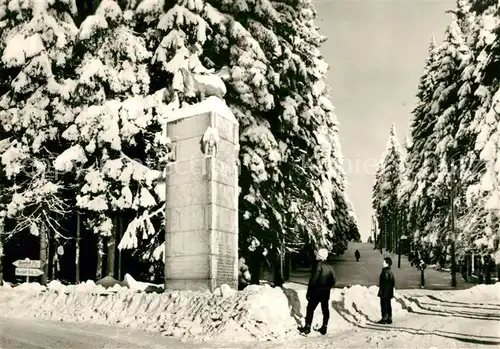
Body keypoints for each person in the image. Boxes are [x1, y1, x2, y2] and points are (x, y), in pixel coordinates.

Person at [299, 248, 336, 335]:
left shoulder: (318, 266)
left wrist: (309, 291)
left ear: (319, 256)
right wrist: (327, 287)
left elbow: (313, 280)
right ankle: (324, 327)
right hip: (325, 293)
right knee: (325, 310)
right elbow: (333, 281)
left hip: (316, 292)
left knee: (310, 309)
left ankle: (307, 327)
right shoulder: (330, 267)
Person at [377, 256, 395, 324]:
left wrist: (383, 291)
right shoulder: (390, 272)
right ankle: (389, 318)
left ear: (387, 263)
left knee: (383, 304)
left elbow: (385, 283)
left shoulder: (385, 272)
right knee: (388, 304)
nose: (382, 263)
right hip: (388, 292)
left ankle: (384, 318)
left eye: (384, 262)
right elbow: (393, 283)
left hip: (385, 292)